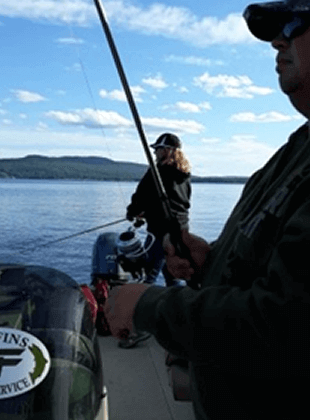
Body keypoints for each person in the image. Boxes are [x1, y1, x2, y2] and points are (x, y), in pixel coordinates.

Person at [104, 1, 310, 418]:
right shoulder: (298, 148)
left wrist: (145, 305)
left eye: (296, 21)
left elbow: (285, 331)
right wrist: (212, 261)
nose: (277, 40)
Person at [126, 132, 191, 287]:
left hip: (160, 232)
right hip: (181, 230)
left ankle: (141, 308)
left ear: (167, 150)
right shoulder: (184, 174)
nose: (155, 152)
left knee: (148, 275)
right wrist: (147, 212)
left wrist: (132, 212)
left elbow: (141, 195)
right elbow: (179, 202)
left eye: (157, 148)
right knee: (171, 274)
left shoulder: (157, 172)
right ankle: (179, 308)